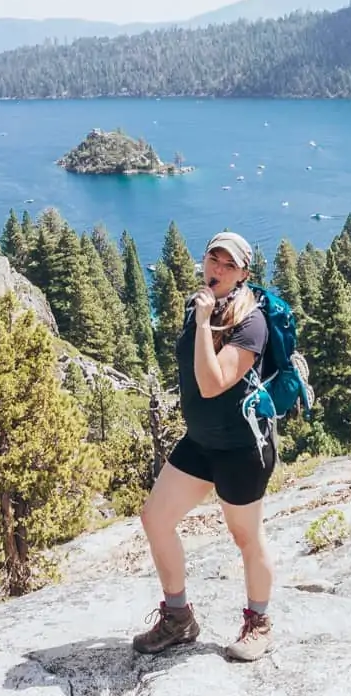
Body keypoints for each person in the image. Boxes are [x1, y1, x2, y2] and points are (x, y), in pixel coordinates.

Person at [132, 230, 276, 662]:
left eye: (229, 265)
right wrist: (200, 318)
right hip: (201, 442)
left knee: (245, 536)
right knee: (156, 519)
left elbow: (213, 384)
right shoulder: (201, 306)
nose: (217, 269)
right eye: (214, 259)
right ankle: (179, 619)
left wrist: (201, 322)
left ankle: (259, 623)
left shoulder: (252, 322)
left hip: (241, 448)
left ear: (244, 273)